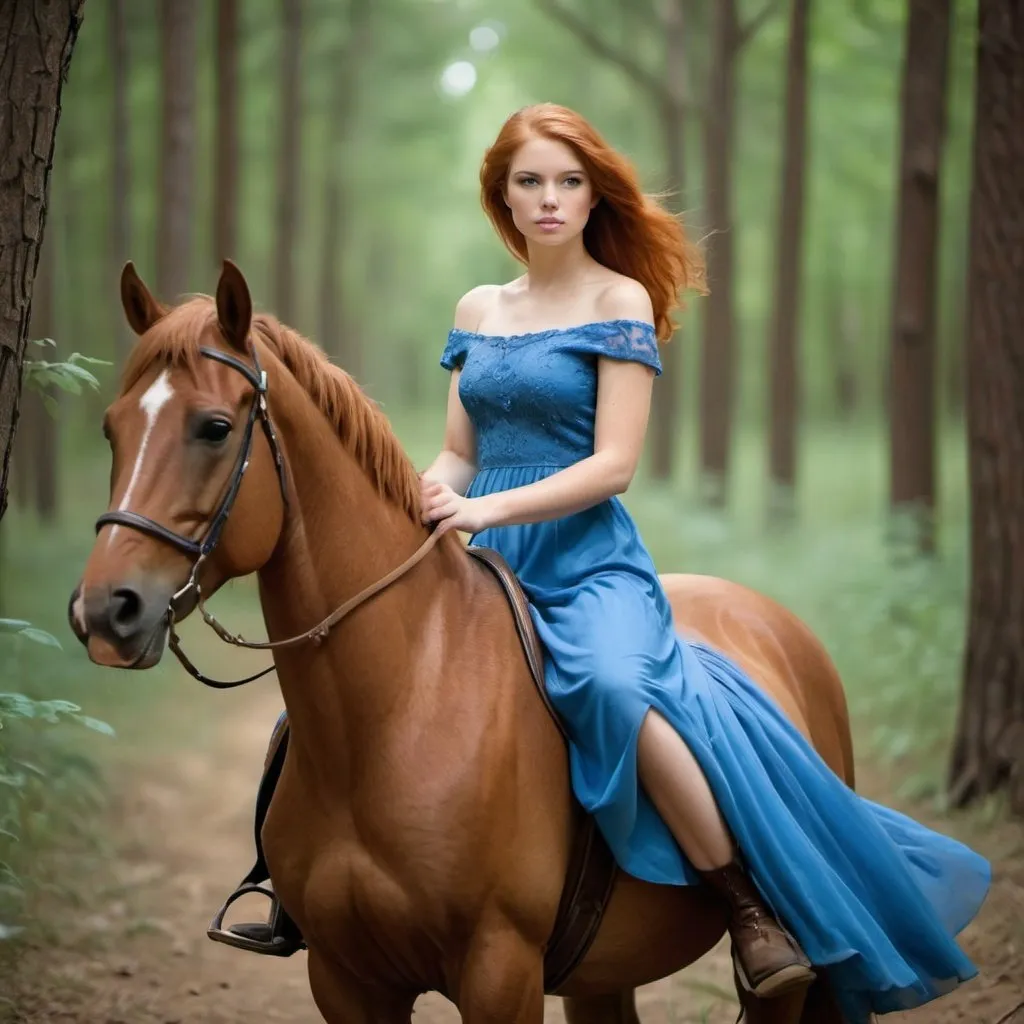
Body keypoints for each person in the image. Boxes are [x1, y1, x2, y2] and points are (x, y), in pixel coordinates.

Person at [211, 103, 990, 1020]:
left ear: (592, 196)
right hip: (488, 554)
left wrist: (485, 502)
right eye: (530, 182)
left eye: (568, 182)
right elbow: (461, 450)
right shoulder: (479, 308)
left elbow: (613, 465)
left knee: (616, 687)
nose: (549, 199)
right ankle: (290, 888)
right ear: (502, 198)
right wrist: (422, 498)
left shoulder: (618, 299)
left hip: (586, 561)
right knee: (330, 706)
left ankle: (748, 907)